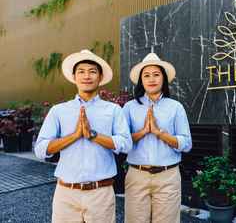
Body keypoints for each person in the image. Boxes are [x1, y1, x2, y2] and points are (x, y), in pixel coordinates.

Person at [34, 49, 132, 223]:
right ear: (74, 76)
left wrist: (93, 135)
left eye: (92, 71)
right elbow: (41, 149)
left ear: (100, 77)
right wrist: (75, 135)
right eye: (81, 71)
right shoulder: (59, 111)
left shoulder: (113, 110)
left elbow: (126, 144)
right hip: (66, 194)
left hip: (101, 193)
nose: (87, 76)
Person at [122, 52, 192, 223]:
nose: (151, 79)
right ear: (141, 80)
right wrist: (144, 131)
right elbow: (122, 143)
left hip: (168, 176)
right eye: (146, 75)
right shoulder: (130, 107)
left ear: (163, 78)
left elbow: (187, 143)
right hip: (137, 175)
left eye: (156, 74)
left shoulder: (175, 107)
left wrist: (161, 134)